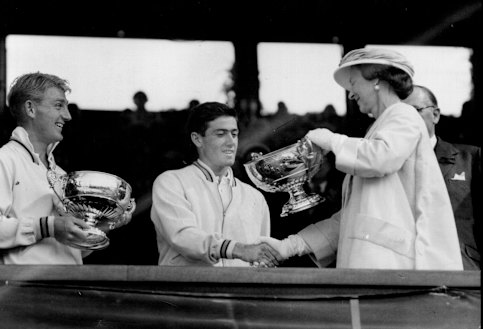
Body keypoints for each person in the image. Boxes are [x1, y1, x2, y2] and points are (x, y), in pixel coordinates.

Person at [259, 48, 463, 270]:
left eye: (353, 83)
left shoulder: (403, 115)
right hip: (372, 268)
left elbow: (381, 158)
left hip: (392, 269)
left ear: (376, 80)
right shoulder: (380, 128)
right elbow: (352, 219)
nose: (350, 94)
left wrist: (331, 141)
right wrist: (290, 246)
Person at [150, 101, 281, 267]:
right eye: (221, 134)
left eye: (234, 134)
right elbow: (183, 236)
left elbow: (261, 259)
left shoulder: (255, 196)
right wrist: (237, 249)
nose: (231, 142)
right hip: (188, 292)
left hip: (240, 292)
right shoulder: (171, 182)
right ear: (197, 139)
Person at [0, 72, 95, 264]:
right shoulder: (5, 159)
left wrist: (102, 222)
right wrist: (48, 226)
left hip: (71, 286)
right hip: (25, 289)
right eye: (58, 105)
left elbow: (74, 250)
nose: (67, 116)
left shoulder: (60, 174)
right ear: (30, 109)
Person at [404, 85, 481, 270]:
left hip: (461, 271)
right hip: (404, 273)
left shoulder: (470, 158)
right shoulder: (385, 165)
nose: (405, 120)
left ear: (435, 115)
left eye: (414, 111)